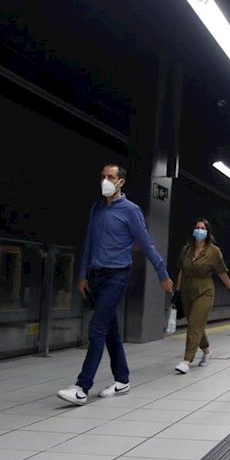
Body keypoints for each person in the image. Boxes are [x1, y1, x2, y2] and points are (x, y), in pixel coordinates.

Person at [58, 164, 173, 406]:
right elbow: (89, 242)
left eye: (110, 177)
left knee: (97, 328)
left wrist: (162, 274)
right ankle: (122, 380)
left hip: (117, 276)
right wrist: (82, 275)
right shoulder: (97, 208)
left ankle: (82, 387)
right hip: (96, 276)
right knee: (110, 331)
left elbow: (147, 244)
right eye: (102, 177)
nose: (105, 181)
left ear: (121, 182)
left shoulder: (131, 211)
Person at [174, 219, 230, 374]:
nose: (199, 230)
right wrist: (177, 291)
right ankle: (207, 350)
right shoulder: (186, 250)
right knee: (195, 324)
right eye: (197, 227)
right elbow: (181, 271)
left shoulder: (213, 251)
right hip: (187, 290)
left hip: (205, 291)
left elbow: (221, 272)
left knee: (194, 325)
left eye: (203, 228)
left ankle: (187, 360)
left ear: (208, 232)